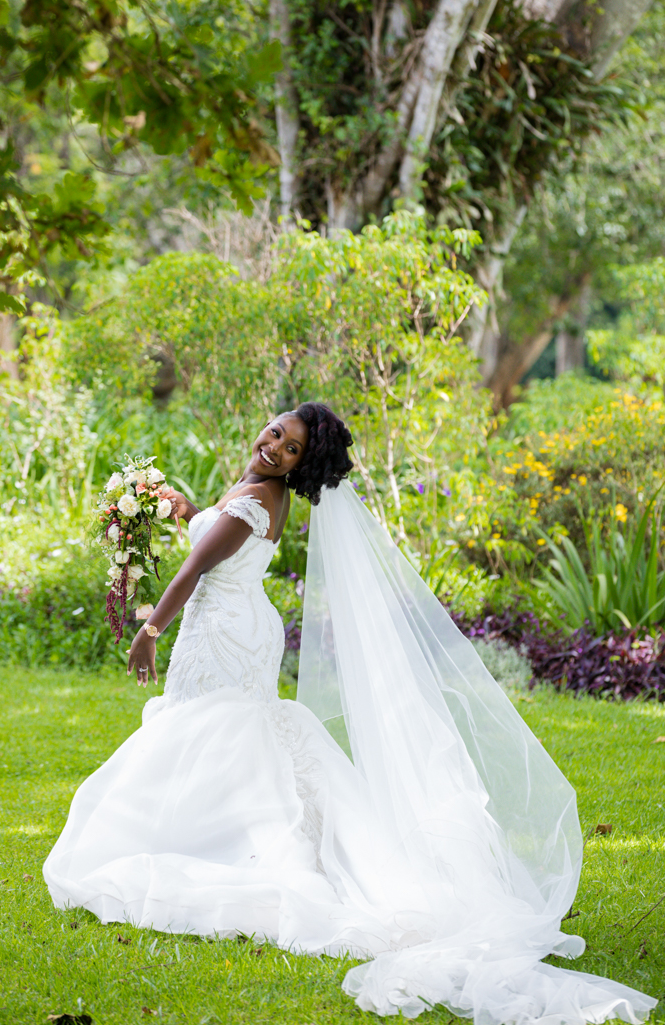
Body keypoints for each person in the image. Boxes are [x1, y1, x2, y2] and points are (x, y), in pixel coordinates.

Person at [44, 403, 656, 1025]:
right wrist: (186, 509)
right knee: (226, 731)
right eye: (276, 432)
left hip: (223, 631)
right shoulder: (263, 493)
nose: (274, 446)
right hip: (239, 625)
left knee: (210, 728)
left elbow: (196, 567)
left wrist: (149, 629)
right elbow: (220, 540)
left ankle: (217, 840)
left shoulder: (255, 499)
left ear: (300, 467)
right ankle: (219, 828)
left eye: (289, 449)